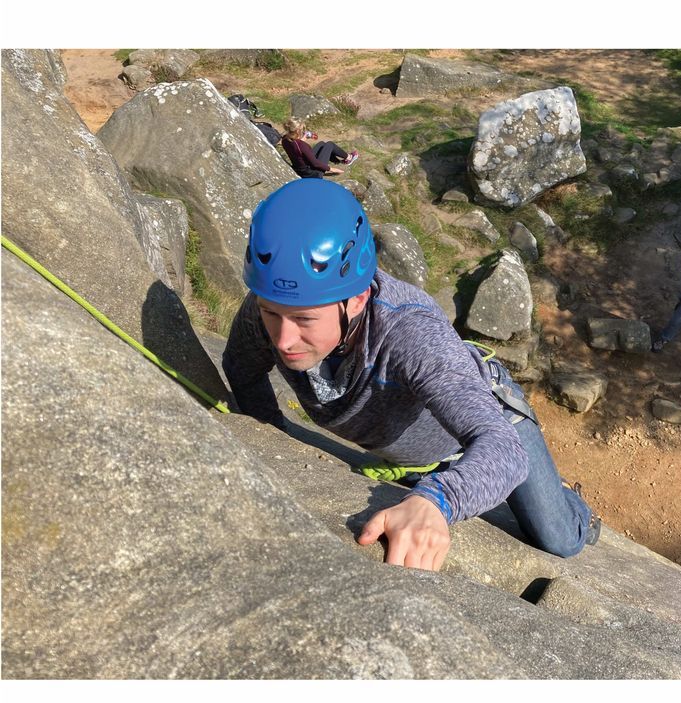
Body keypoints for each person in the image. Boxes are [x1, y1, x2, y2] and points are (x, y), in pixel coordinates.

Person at [223, 179, 600, 572]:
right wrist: (269, 440)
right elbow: (241, 370)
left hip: (487, 419)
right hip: (416, 449)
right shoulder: (267, 310)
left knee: (559, 539)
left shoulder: (409, 333)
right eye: (271, 313)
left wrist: (437, 501)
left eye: (304, 320)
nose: (283, 339)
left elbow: (503, 448)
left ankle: (572, 506)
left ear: (357, 298)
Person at [280, 118, 358, 178]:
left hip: (300, 167)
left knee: (322, 144)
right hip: (313, 174)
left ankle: (337, 160)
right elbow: (315, 163)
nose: (304, 131)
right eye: (302, 129)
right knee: (329, 144)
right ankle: (349, 158)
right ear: (297, 131)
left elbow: (296, 149)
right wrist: (332, 169)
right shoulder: (302, 145)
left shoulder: (284, 139)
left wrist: (301, 139)